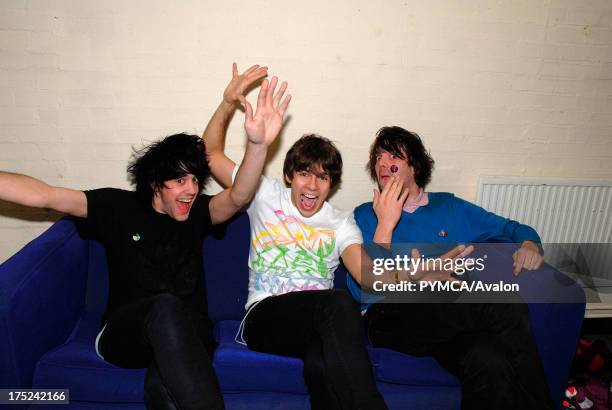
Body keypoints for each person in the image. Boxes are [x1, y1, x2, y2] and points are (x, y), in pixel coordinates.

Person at [0, 63, 290, 410]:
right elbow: (44, 195)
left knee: (164, 390)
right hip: (127, 334)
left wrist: (257, 147)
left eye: (196, 180)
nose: (192, 189)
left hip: (188, 335)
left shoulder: (199, 213)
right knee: (166, 306)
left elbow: (240, 196)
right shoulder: (116, 206)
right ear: (155, 183)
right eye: (180, 181)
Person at [203, 68, 388, 410]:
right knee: (337, 301)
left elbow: (365, 275)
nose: (313, 186)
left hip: (317, 324)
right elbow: (210, 153)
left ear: (332, 184)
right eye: (305, 174)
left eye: (323, 177)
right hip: (264, 317)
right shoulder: (263, 193)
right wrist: (227, 103)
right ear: (289, 175)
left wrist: (422, 275)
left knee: (322, 364)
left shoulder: (340, 223)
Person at [346, 126, 554, 410]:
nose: (383, 164)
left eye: (393, 156)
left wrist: (530, 244)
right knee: (503, 303)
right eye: (378, 158)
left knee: (489, 361)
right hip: (389, 317)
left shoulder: (452, 209)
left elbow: (512, 228)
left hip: (447, 318)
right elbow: (365, 289)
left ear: (415, 166)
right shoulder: (365, 214)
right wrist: (386, 223)